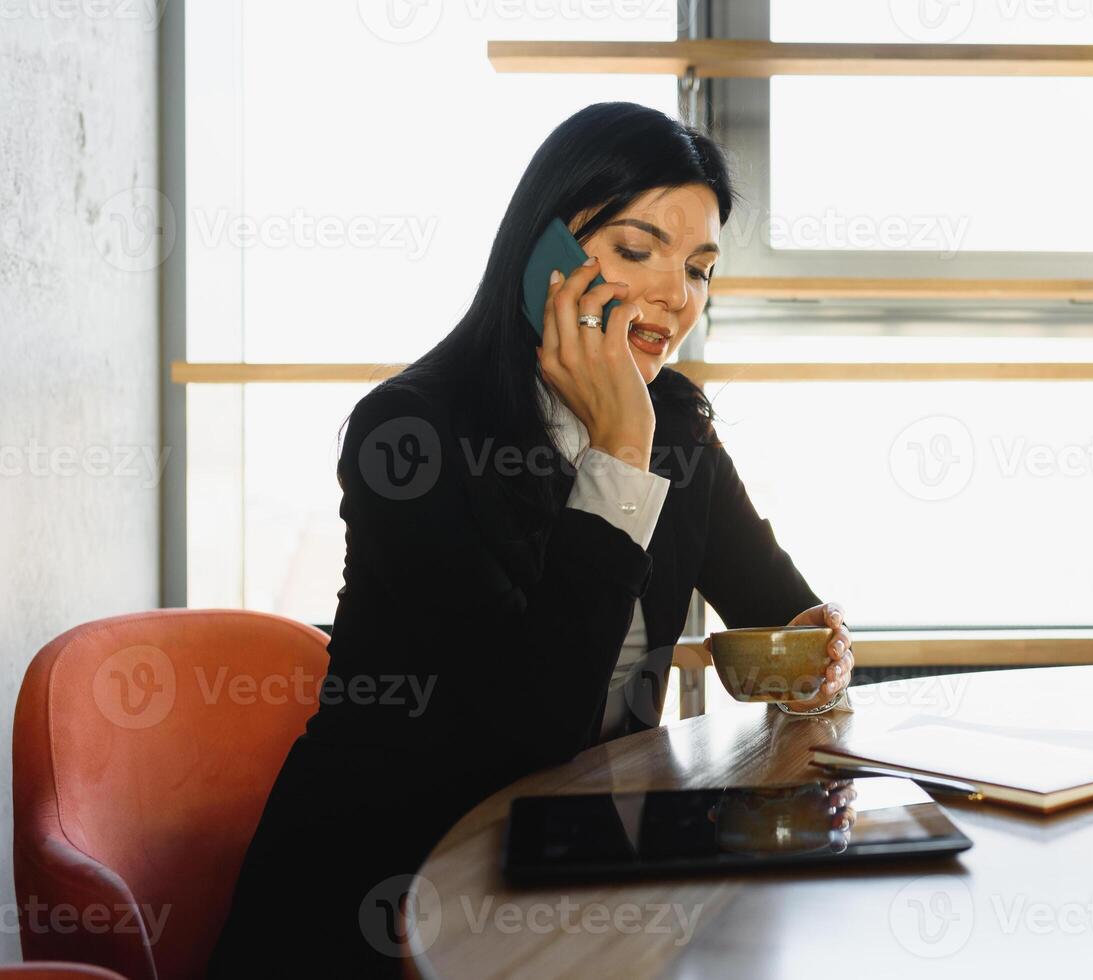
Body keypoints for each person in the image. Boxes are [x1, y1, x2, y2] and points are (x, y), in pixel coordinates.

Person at [207, 101, 854, 977]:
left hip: (574, 871)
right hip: (388, 887)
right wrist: (619, 454)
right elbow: (528, 730)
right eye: (636, 251)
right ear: (544, 256)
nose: (678, 296)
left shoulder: (676, 427)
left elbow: (783, 614)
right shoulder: (411, 434)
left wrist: (822, 648)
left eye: (700, 269)